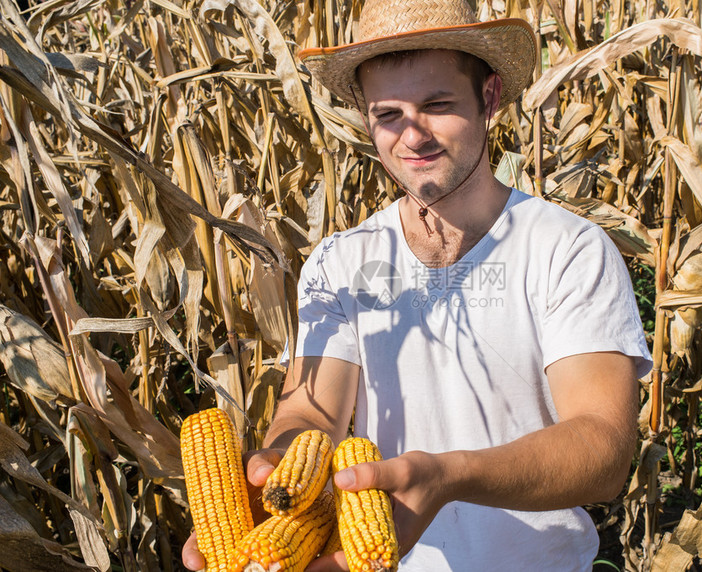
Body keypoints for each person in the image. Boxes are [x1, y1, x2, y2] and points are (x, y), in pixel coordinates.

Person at [183, 0, 652, 570]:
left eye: (436, 105)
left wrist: (449, 476)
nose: (412, 135)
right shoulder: (341, 262)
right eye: (388, 114)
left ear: (490, 98)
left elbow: (603, 450)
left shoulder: (566, 249)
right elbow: (312, 418)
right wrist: (273, 485)